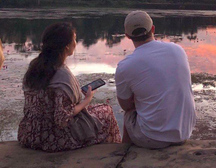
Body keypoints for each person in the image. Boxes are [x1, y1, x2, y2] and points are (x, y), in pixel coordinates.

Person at [18, 23, 121, 152]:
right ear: (67, 46)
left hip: (30, 133)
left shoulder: (34, 67)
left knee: (97, 110)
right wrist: (86, 100)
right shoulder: (62, 75)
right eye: (74, 39)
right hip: (53, 138)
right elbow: (61, 119)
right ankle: (112, 154)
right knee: (107, 112)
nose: (76, 43)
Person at [115, 11, 196, 148]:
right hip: (184, 132)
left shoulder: (125, 66)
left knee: (130, 114)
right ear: (153, 29)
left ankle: (125, 153)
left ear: (127, 36)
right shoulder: (178, 50)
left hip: (152, 138)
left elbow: (126, 106)